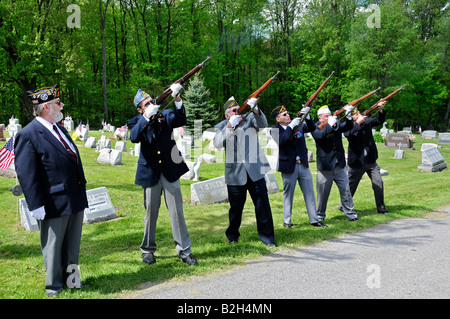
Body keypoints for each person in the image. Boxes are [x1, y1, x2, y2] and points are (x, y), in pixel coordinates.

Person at [14, 84, 89, 297]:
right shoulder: (29, 134)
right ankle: (53, 287)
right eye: (58, 102)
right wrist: (35, 204)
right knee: (53, 248)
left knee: (72, 246)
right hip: (53, 201)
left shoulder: (59, 128)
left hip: (73, 197)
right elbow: (27, 173)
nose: (62, 105)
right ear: (46, 107)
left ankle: (73, 282)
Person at [129, 84, 197, 266]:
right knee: (151, 213)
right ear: (140, 109)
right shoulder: (136, 120)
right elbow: (134, 137)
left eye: (152, 101)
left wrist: (177, 99)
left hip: (170, 169)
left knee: (177, 212)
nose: (151, 104)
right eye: (147, 104)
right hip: (150, 172)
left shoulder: (165, 115)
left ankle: (184, 250)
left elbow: (180, 119)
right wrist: (145, 117)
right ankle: (147, 250)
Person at [213, 97, 276, 247]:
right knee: (236, 209)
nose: (237, 112)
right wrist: (229, 126)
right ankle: (232, 236)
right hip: (235, 173)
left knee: (262, 206)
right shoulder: (221, 125)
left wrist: (255, 109)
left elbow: (263, 124)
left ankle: (268, 238)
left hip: (255, 171)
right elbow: (217, 143)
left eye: (238, 109)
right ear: (227, 114)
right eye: (234, 111)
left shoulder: (249, 120)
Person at [270, 105, 327, 228]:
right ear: (278, 119)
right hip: (288, 166)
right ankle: (287, 221)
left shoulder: (299, 125)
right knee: (288, 194)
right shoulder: (274, 130)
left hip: (303, 164)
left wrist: (308, 117)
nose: (288, 115)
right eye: (284, 115)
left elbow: (313, 128)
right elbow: (282, 141)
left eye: (288, 113)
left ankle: (314, 220)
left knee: (309, 193)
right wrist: (290, 127)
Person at [311, 105, 358, 222]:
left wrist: (348, 116)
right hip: (325, 166)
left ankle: (351, 213)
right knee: (323, 194)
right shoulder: (316, 127)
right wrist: (328, 125)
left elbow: (347, 126)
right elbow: (319, 136)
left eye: (330, 115)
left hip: (340, 164)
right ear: (320, 118)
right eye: (326, 116)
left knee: (346, 191)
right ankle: (320, 215)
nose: (329, 117)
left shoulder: (335, 124)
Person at [341, 101, 390, 214]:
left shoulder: (367, 121)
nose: (358, 114)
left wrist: (381, 110)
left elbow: (379, 120)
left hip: (371, 160)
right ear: (350, 116)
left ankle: (381, 208)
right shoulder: (348, 126)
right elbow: (348, 135)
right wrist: (357, 123)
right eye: (355, 113)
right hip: (357, 162)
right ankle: (343, 206)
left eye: (358, 112)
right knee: (350, 187)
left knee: (378, 183)